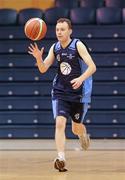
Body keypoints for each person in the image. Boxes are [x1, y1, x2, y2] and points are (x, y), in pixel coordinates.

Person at [28, 18, 96, 172]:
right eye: (57, 29)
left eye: (63, 29)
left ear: (70, 31)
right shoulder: (55, 47)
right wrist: (39, 58)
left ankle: (83, 133)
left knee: (75, 128)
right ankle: (61, 158)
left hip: (79, 93)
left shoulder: (77, 45)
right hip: (60, 91)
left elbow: (92, 67)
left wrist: (80, 79)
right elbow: (43, 68)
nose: (59, 32)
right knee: (60, 123)